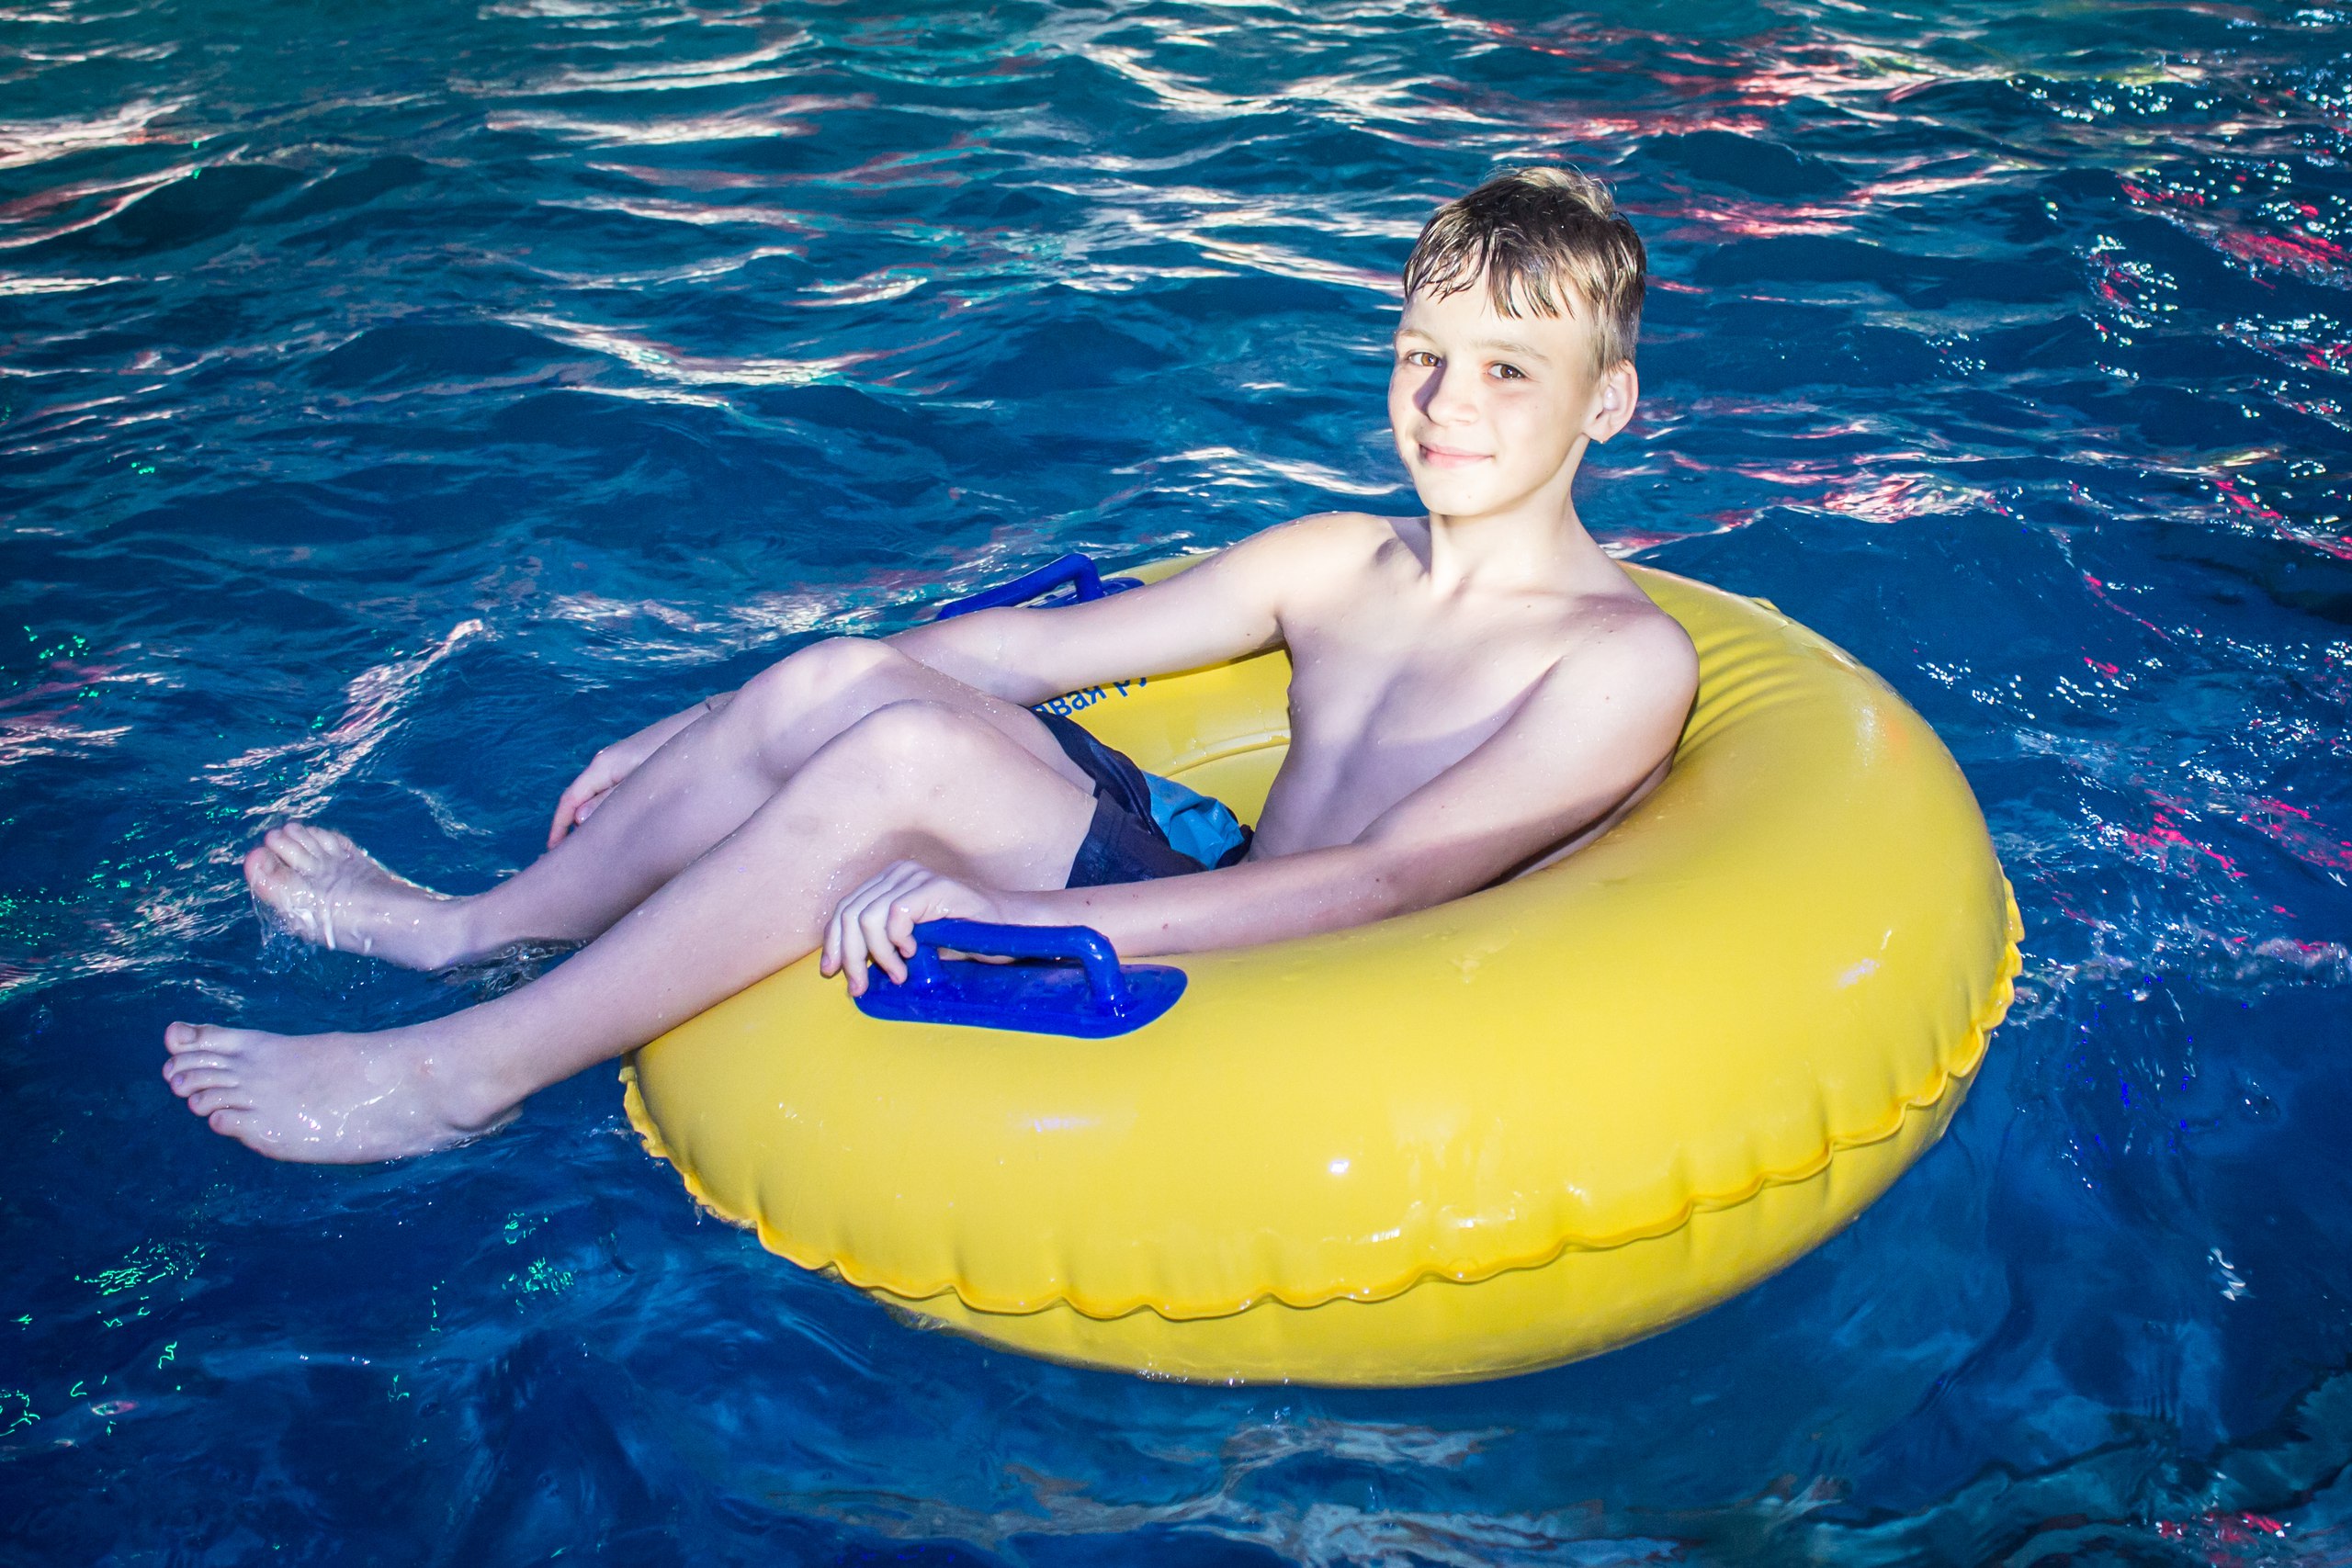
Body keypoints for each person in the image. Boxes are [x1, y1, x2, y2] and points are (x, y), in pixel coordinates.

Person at [162, 165, 1700, 1164]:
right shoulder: (1340, 560)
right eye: (1423, 356)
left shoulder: (1618, 661)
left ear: (1607, 403)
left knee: (904, 762)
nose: (1446, 403)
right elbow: (1018, 649)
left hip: (1309, 967)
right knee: (841, 683)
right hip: (1207, 861)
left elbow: (1383, 885)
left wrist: (1014, 915)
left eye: (1509, 371)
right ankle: (472, 931)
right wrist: (694, 729)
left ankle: (457, 1079)